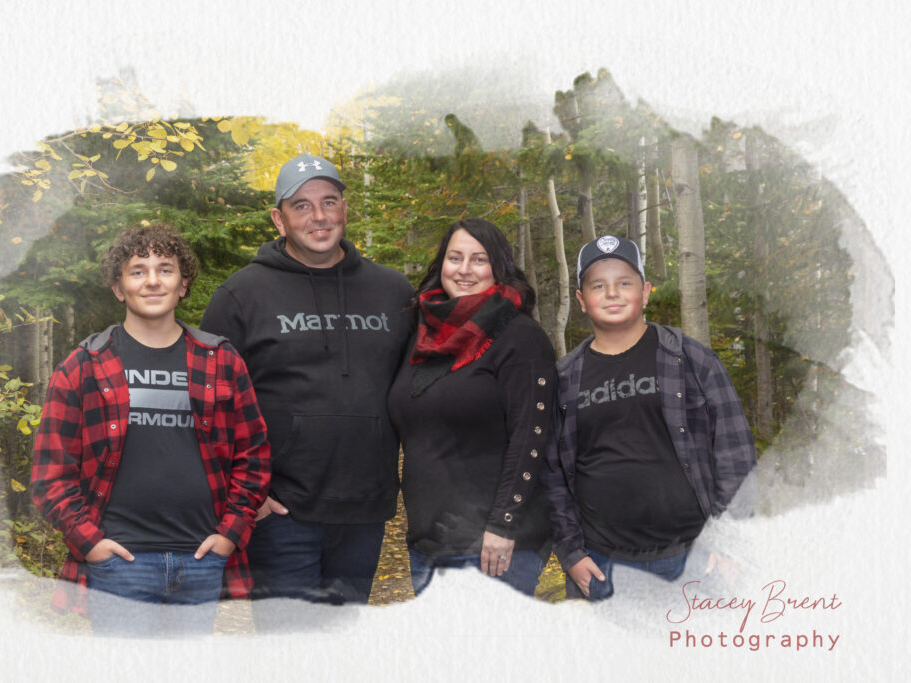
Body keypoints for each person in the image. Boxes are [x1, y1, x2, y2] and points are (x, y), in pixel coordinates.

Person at [31, 222, 270, 636]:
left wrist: (229, 535)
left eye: (165, 268)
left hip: (201, 558)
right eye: (138, 270)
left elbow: (254, 458)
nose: (153, 280)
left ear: (183, 284)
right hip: (119, 565)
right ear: (119, 288)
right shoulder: (84, 365)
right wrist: (90, 543)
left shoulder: (221, 361)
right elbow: (51, 474)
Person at [200, 153, 414, 612]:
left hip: (366, 510)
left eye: (329, 201)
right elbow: (207, 405)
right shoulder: (241, 295)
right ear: (279, 218)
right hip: (279, 514)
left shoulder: (394, 293)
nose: (319, 216)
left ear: (344, 209)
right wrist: (243, 498)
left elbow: (422, 392)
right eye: (302, 206)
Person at [543, 234, 757, 601]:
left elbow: (735, 454)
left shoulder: (691, 361)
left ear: (645, 291)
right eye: (598, 285)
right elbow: (552, 476)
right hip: (602, 563)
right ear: (581, 300)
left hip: (694, 560)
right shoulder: (563, 379)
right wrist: (571, 554)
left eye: (624, 283)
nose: (612, 293)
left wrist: (731, 543)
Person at [387, 218, 556, 597]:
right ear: (441, 264)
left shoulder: (520, 337)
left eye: (479, 259)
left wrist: (503, 525)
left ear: (498, 267)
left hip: (491, 548)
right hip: (429, 541)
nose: (464, 270)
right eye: (455, 257)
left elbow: (533, 435)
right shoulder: (421, 336)